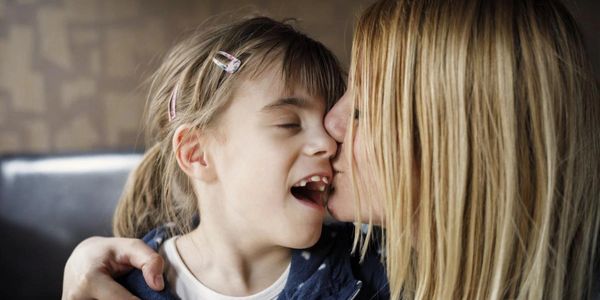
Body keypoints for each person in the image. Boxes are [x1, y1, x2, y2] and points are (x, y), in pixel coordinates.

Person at [62, 0, 600, 299]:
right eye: (289, 122)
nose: (331, 131)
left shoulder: (375, 270)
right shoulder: (133, 281)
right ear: (196, 153)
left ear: (456, 146)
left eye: (363, 108)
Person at [74, 16, 388, 300]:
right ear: (196, 154)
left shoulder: (371, 265)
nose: (328, 144)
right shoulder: (121, 287)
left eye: (325, 124)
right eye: (289, 124)